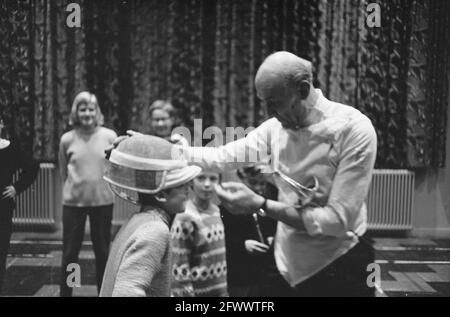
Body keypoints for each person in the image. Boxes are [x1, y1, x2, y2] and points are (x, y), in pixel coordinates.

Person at [119, 51, 377, 296]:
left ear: (303, 89)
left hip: (340, 259)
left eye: (274, 103)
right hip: (288, 259)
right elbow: (223, 156)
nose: (268, 114)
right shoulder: (274, 128)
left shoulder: (353, 129)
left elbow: (336, 221)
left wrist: (261, 205)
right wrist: (145, 145)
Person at [99, 135, 201, 296]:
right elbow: (127, 291)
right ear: (160, 194)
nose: (188, 189)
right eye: (181, 185)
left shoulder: (139, 219)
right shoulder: (156, 230)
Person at [58, 91, 117, 297]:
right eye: (82, 109)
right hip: (73, 205)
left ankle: (104, 293)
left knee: (102, 254)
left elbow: (115, 168)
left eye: (91, 109)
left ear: (96, 112)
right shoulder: (67, 139)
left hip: (102, 203)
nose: (87, 113)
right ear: (76, 112)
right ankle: (67, 293)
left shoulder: (109, 136)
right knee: (70, 256)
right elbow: (63, 171)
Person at [221, 165, 279, 297]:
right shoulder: (229, 205)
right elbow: (222, 241)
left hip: (267, 272)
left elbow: (277, 225)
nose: (258, 188)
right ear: (242, 180)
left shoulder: (272, 197)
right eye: (253, 183)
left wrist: (273, 237)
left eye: (262, 184)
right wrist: (242, 245)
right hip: (241, 275)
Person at [171, 169, 228, 297]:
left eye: (213, 179)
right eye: (201, 178)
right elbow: (179, 267)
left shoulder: (216, 211)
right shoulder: (184, 216)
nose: (207, 184)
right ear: (191, 182)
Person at [0, 119, 39, 293]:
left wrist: (16, 188)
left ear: (1, 124)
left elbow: (32, 167)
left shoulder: (11, 149)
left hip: (3, 208)